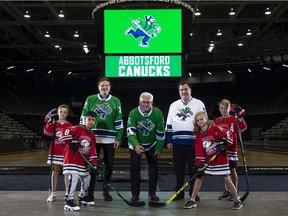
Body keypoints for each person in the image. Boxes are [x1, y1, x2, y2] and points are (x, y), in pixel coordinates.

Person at [183, 111, 243, 210]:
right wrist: (199, 164)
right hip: (208, 160)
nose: (200, 121)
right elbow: (199, 151)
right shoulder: (199, 135)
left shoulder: (215, 128)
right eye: (198, 120)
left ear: (206, 119)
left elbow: (228, 133)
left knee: (226, 179)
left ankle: (237, 200)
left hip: (220, 159)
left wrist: (224, 144)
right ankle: (192, 200)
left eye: (201, 119)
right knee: (199, 177)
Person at [80, 77, 124, 201]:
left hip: (110, 139)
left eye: (106, 86)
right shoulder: (90, 99)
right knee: (92, 166)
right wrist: (82, 135)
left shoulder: (116, 101)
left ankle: (106, 190)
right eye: (102, 86)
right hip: (93, 138)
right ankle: (90, 191)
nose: (104, 88)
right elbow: (83, 118)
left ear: (110, 88)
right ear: (98, 87)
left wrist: (119, 138)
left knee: (109, 166)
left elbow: (119, 121)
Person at [166, 81, 206, 200]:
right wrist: (169, 140)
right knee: (179, 170)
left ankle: (193, 194)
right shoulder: (173, 105)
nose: (183, 92)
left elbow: (204, 124)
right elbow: (169, 124)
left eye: (185, 89)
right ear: (179, 91)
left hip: (194, 144)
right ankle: (179, 192)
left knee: (194, 170)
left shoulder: (199, 104)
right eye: (181, 90)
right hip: (177, 144)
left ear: (190, 90)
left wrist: (203, 141)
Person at [127, 92, 165, 202]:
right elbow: (131, 132)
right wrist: (136, 145)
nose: (146, 104)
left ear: (152, 102)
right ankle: (135, 194)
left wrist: (159, 148)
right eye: (144, 102)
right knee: (134, 167)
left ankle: (152, 194)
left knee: (153, 167)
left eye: (148, 102)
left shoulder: (158, 113)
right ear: (139, 102)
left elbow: (160, 132)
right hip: (136, 143)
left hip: (151, 143)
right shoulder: (133, 113)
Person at [60, 111, 98, 211]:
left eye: (93, 120)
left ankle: (82, 197)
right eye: (89, 119)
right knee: (74, 177)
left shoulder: (92, 135)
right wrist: (71, 141)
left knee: (87, 178)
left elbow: (92, 150)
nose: (91, 122)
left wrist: (94, 165)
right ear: (84, 120)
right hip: (72, 158)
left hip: (82, 161)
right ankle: (69, 201)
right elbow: (64, 131)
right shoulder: (79, 128)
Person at [215, 99, 247, 200]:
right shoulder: (218, 121)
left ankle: (235, 191)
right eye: (222, 108)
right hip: (222, 149)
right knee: (224, 171)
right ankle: (228, 190)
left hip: (231, 149)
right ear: (219, 109)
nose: (224, 110)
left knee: (232, 170)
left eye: (226, 108)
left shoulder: (234, 118)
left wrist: (241, 119)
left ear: (229, 109)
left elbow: (243, 128)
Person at [44, 104, 72, 202]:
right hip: (55, 152)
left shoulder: (69, 125)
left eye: (65, 112)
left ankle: (68, 193)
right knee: (54, 173)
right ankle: (53, 193)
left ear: (67, 114)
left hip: (65, 153)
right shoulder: (54, 123)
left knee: (67, 173)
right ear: (58, 113)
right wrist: (48, 122)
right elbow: (47, 133)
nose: (63, 114)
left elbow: (71, 139)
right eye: (61, 112)